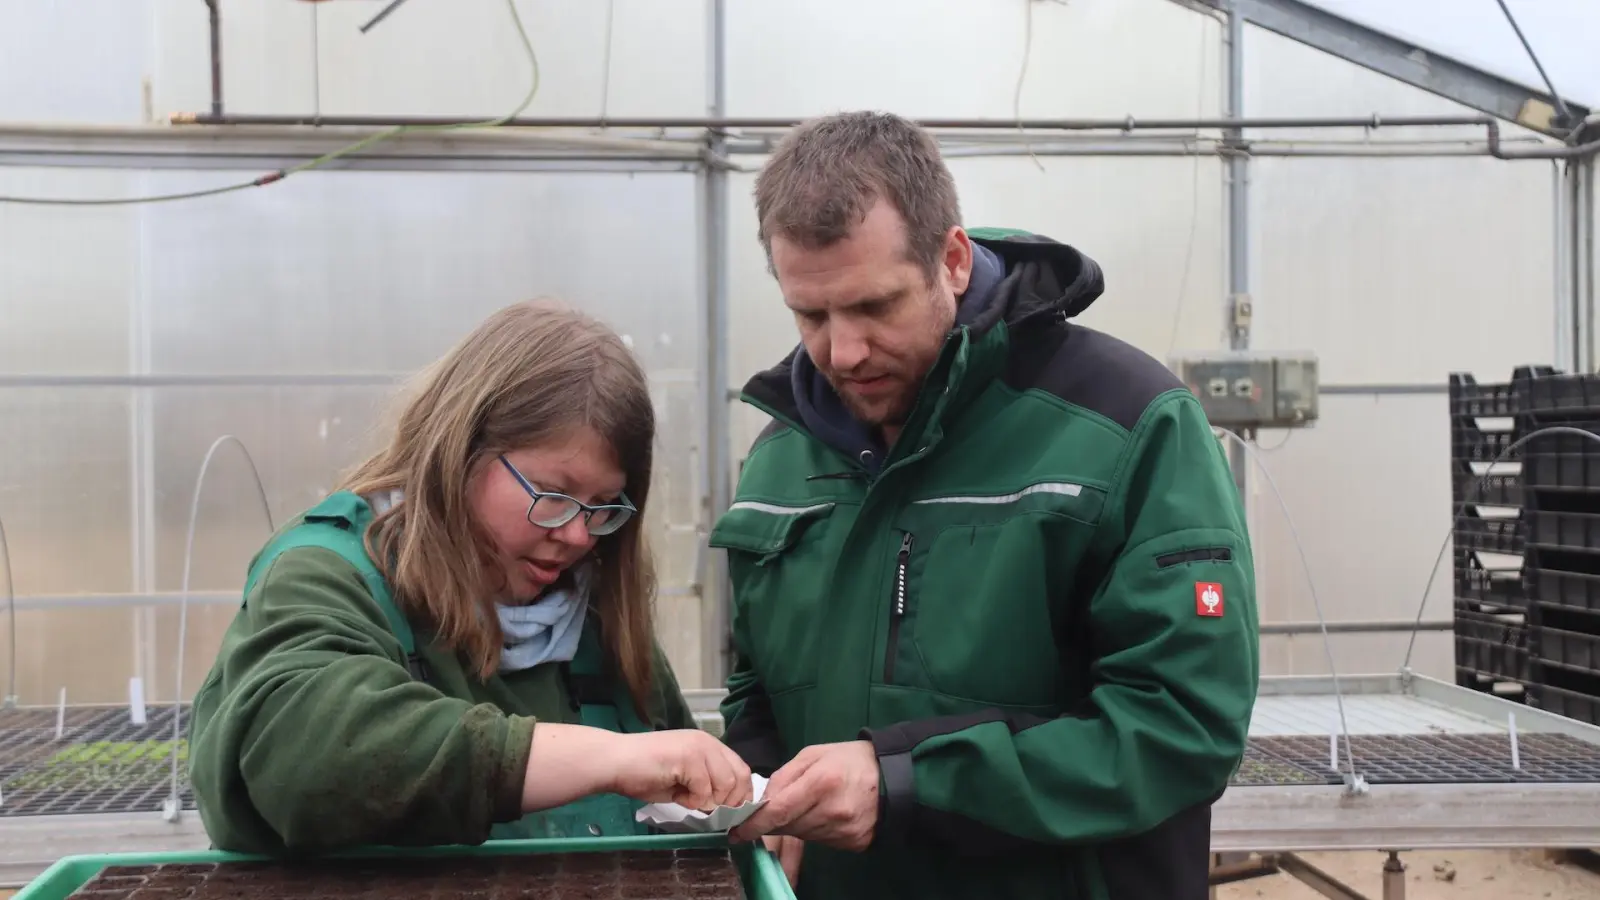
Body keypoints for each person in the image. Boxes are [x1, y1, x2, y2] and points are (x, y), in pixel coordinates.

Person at [712, 111, 1260, 899]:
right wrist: (766, 779)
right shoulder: (781, 454)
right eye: (812, 315)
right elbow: (756, 683)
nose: (842, 352)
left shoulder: (1127, 426)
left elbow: (1180, 726)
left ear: (955, 261)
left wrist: (909, 781)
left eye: (874, 306)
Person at [188, 299, 752, 854]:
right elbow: (300, 758)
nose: (579, 535)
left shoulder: (597, 622)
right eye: (553, 495)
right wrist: (605, 757)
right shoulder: (328, 576)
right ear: (460, 450)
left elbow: (683, 811)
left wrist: (741, 809)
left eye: (603, 505)